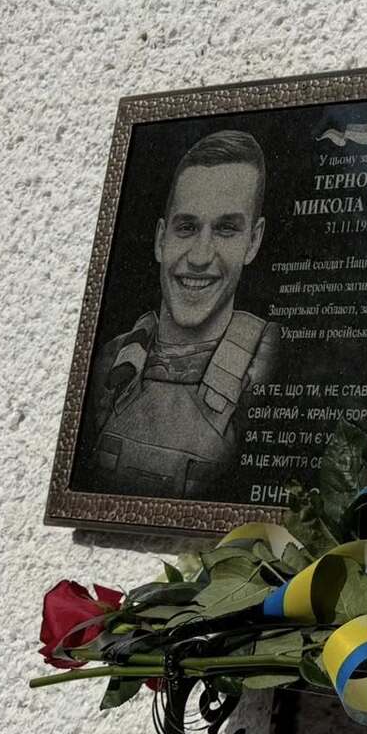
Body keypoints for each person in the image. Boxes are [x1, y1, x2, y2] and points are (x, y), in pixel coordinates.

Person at [78, 129, 281, 498]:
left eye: (226, 229)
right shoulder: (111, 362)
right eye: (186, 228)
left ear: (253, 241)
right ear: (161, 239)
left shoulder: (268, 369)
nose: (200, 256)